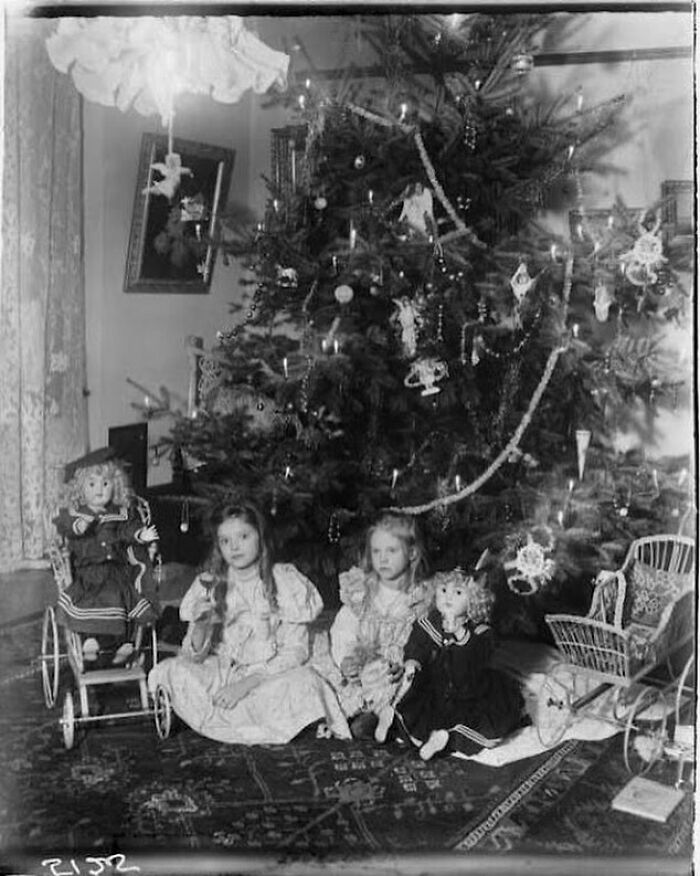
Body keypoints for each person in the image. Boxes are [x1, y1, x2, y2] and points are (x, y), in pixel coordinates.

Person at [147, 500, 350, 744]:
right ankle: (243, 718)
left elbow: (294, 652)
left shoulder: (283, 580)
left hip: (267, 675)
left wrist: (247, 684)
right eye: (225, 541)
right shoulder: (209, 583)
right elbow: (193, 656)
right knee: (172, 670)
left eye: (243, 536)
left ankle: (227, 718)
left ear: (260, 538)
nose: (234, 547)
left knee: (306, 683)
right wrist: (202, 624)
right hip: (222, 671)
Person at [387, 567, 526, 760]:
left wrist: (460, 634)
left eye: (458, 592)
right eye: (443, 590)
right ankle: (410, 728)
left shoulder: (480, 631)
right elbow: (418, 642)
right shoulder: (432, 621)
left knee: (484, 722)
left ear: (474, 599)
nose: (448, 597)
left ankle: (448, 738)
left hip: (474, 692)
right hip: (440, 689)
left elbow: (472, 664)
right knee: (418, 705)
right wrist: (413, 659)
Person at [53, 446, 160, 667]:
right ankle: (90, 639)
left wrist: (140, 533)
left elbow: (126, 530)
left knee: (123, 595)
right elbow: (65, 526)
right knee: (92, 599)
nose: (99, 490)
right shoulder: (75, 513)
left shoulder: (119, 513)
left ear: (116, 485)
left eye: (105, 484)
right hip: (88, 571)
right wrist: (78, 526)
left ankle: (123, 642)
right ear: (80, 488)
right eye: (91, 484)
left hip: (116, 570)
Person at [328, 512, 432, 739]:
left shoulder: (420, 597)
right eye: (376, 551)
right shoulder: (361, 592)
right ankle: (364, 711)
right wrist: (346, 659)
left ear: (412, 553)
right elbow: (343, 629)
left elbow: (428, 641)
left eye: (391, 551)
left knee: (414, 685)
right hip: (365, 667)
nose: (382, 558)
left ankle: (391, 716)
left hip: (401, 669)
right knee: (334, 686)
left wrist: (408, 663)